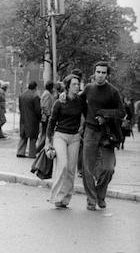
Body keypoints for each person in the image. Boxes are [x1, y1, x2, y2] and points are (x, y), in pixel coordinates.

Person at [79, 61, 125, 211]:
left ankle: (100, 194)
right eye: (98, 72)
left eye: (103, 73)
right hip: (90, 132)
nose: (100, 75)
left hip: (107, 134)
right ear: (94, 73)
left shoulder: (113, 92)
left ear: (107, 75)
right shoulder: (88, 88)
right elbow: (79, 104)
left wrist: (105, 115)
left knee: (108, 168)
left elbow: (121, 112)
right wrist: (64, 96)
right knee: (87, 168)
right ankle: (91, 200)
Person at [47, 74, 86, 208]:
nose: (77, 87)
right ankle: (56, 197)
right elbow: (51, 122)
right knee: (62, 165)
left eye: (78, 84)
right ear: (68, 86)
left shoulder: (81, 101)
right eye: (74, 84)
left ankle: (65, 199)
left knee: (70, 169)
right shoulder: (60, 102)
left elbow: (87, 115)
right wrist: (48, 141)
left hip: (74, 137)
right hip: (60, 136)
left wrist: (83, 127)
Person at [16, 81, 42, 158]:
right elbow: (38, 110)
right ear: (35, 88)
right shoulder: (35, 96)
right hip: (33, 120)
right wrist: (40, 117)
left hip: (23, 118)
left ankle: (20, 151)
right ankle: (32, 153)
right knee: (33, 137)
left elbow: (20, 107)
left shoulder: (21, 95)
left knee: (23, 135)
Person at [38, 81, 55, 151]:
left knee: (44, 133)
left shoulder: (46, 93)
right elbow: (45, 106)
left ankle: (39, 147)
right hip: (46, 117)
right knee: (45, 133)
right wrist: (48, 115)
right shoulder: (47, 94)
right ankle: (39, 148)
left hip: (45, 116)